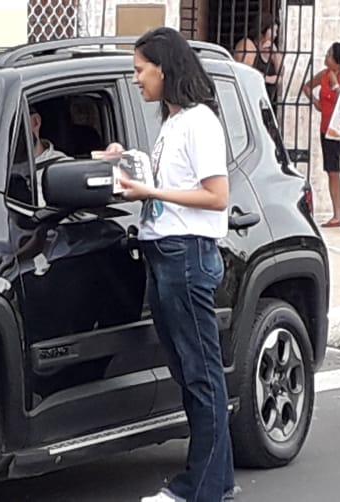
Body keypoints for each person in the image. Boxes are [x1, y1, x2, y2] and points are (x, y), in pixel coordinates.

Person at [104, 27, 238, 502]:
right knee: (189, 371)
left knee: (201, 374)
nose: (136, 79)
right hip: (166, 253)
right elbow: (175, 180)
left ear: (165, 68)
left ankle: (197, 488)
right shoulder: (175, 121)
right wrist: (130, 162)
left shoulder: (200, 122)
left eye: (141, 70)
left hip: (187, 256)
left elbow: (215, 196)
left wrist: (150, 191)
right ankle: (215, 482)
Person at [302, 41, 340, 227]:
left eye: (329, 55)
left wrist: (336, 86)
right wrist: (316, 103)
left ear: (337, 61)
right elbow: (306, 87)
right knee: (332, 171)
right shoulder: (324, 75)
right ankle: (337, 213)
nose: (326, 57)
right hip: (326, 129)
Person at [233, 14, 282, 108]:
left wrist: (275, 52)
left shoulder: (268, 48)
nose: (275, 35)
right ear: (263, 29)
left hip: (263, 103)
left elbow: (281, 72)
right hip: (248, 100)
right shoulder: (248, 45)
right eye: (273, 30)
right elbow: (246, 71)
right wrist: (268, 79)